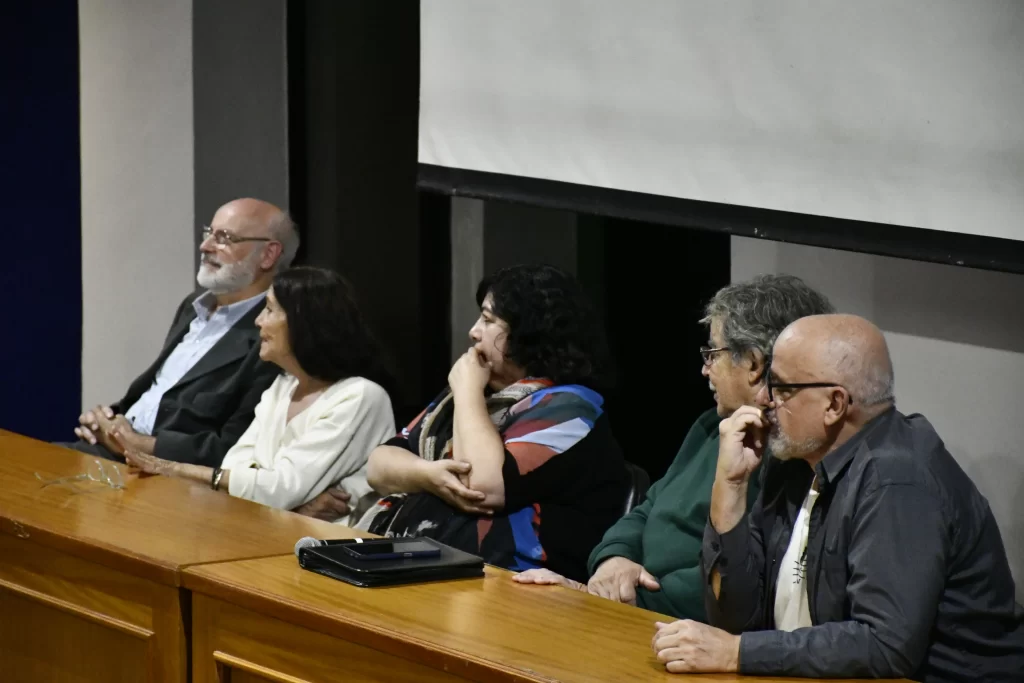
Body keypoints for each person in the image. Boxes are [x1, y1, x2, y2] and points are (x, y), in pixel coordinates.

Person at [651, 314, 1024, 680]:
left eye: (782, 388)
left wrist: (738, 653)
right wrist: (730, 487)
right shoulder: (793, 462)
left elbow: (884, 646)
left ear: (834, 404)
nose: (764, 399)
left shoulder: (897, 481)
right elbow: (735, 618)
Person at [514, 275, 835, 621]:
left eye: (712, 353)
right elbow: (646, 509)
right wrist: (614, 559)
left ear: (755, 365)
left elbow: (738, 580)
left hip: (675, 626)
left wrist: (620, 601)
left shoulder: (786, 454)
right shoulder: (710, 427)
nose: (704, 369)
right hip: (626, 606)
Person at [357, 264, 627, 582]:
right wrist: (429, 475)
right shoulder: (470, 393)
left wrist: (468, 391)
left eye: (487, 320)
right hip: (418, 566)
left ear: (529, 333)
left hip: (513, 587)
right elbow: (378, 465)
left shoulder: (571, 407)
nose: (474, 332)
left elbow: (482, 487)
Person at [121, 267, 396, 524]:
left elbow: (278, 487)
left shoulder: (360, 397)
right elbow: (237, 467)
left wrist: (179, 470)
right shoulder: (282, 387)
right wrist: (294, 505)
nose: (258, 321)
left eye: (269, 309)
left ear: (304, 322)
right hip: (272, 531)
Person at [68, 198, 297, 468]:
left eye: (224, 238)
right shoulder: (192, 307)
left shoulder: (275, 333)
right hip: (110, 450)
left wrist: (133, 442)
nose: (205, 246)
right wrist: (105, 420)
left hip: (164, 474)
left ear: (268, 255)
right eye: (208, 233)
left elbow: (235, 448)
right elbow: (161, 394)